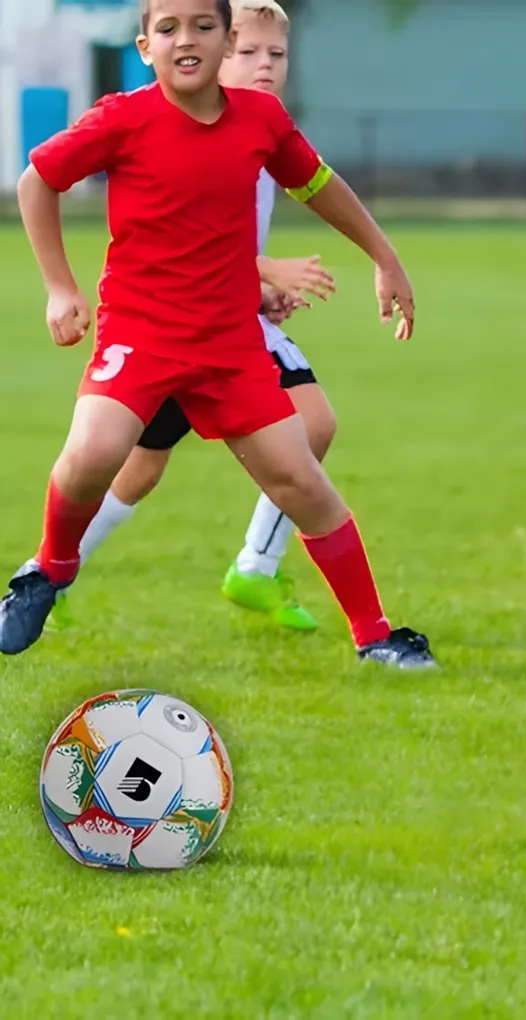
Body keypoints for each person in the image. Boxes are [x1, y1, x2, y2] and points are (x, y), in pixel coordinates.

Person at [0, 0, 435, 669]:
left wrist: (386, 257)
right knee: (95, 452)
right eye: (168, 29)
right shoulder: (124, 117)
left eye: (203, 26)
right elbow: (38, 181)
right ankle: (48, 572)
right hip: (141, 335)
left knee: (301, 480)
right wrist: (61, 287)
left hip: (230, 348)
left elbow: (318, 186)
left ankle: (375, 636)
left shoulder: (261, 121)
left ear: (226, 37)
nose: (186, 40)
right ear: (146, 46)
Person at [63, 0, 338, 634]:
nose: (264, 66)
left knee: (146, 465)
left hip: (227, 318)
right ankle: (251, 566)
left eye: (277, 54)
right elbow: (187, 239)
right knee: (144, 464)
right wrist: (269, 272)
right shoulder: (190, 122)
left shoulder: (261, 126)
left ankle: (51, 573)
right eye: (248, 53)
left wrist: (258, 284)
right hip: (179, 325)